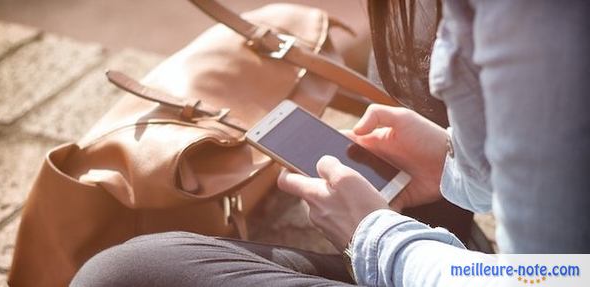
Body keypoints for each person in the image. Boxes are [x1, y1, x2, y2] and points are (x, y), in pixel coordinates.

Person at [71, 0, 590, 286]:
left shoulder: (535, 26)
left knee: (123, 277)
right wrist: (456, 170)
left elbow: (547, 280)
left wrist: (376, 239)